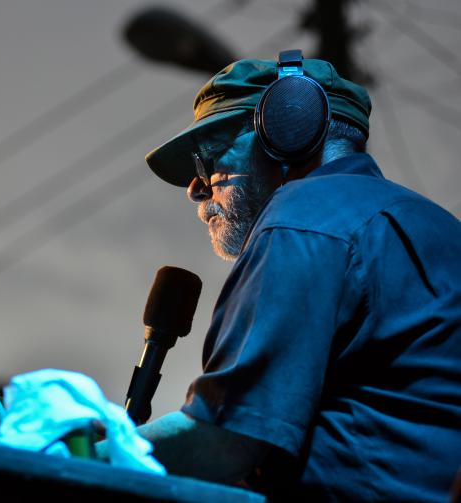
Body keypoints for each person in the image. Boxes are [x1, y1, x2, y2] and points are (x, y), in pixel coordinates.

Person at [133, 52, 461, 501]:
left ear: (289, 129)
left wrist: (64, 448)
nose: (196, 186)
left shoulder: (305, 217)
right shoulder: (433, 228)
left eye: (207, 156)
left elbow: (225, 444)